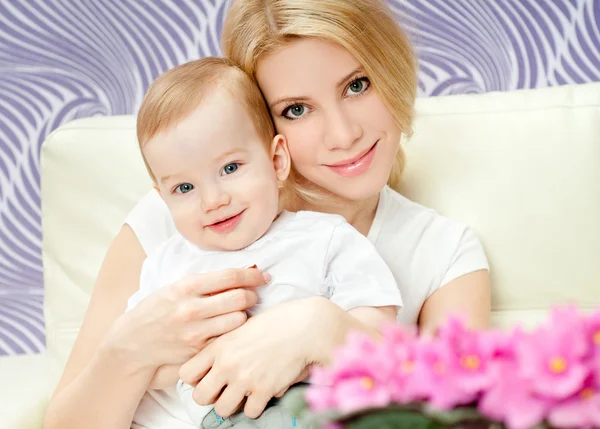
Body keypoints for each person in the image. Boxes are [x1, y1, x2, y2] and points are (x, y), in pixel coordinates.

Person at [43, 1, 491, 428]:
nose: (344, 134)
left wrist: (323, 327)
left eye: (357, 85)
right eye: (296, 110)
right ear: (263, 123)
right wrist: (129, 350)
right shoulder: (177, 216)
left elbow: (451, 419)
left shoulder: (443, 252)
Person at [128, 56, 403, 428]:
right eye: (185, 188)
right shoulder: (166, 267)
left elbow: (377, 328)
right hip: (220, 415)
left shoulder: (323, 237)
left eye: (230, 168)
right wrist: (202, 354)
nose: (213, 200)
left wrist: (320, 337)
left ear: (276, 161)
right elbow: (145, 365)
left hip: (312, 404)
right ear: (163, 199)